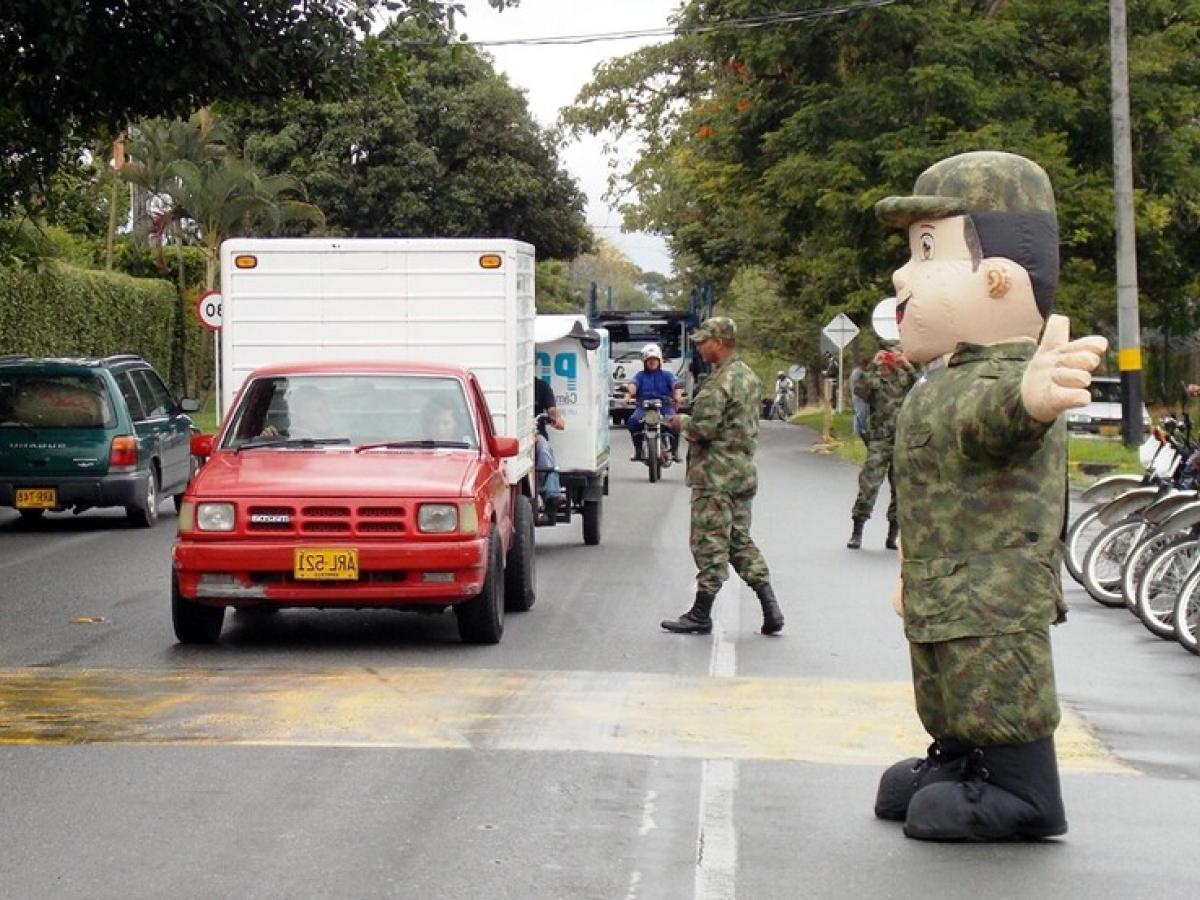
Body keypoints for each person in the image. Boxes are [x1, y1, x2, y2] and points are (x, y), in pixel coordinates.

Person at [872, 151, 1107, 841]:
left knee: (1000, 684)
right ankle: (959, 756)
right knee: (948, 683)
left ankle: (1024, 788)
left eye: (927, 251)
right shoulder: (944, 379)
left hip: (993, 595)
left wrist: (1031, 398)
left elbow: (1001, 418)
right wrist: (907, 569)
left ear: (999, 277)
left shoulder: (1001, 377)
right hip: (944, 588)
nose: (902, 275)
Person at [662, 317, 784, 636]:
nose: (700, 348)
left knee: (709, 543)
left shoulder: (720, 382)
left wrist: (680, 422)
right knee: (738, 541)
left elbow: (703, 429)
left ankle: (701, 613)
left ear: (719, 342)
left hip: (715, 476)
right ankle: (770, 605)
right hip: (742, 472)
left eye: (704, 342)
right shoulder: (749, 377)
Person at [846, 347, 917, 550]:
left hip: (902, 439)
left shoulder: (905, 378)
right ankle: (857, 531)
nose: (890, 360)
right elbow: (859, 391)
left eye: (893, 355)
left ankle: (892, 535)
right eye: (887, 355)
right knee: (869, 484)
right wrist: (872, 366)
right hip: (879, 439)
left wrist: (908, 366)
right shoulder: (874, 379)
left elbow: (923, 387)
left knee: (900, 488)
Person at [627, 343, 683, 462]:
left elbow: (676, 384)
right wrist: (629, 393)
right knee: (632, 422)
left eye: (654, 360)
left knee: (675, 423)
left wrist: (677, 396)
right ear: (645, 362)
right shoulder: (640, 375)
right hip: (644, 408)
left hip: (665, 406)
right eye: (649, 360)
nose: (652, 362)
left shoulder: (667, 374)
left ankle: (674, 451)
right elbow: (633, 385)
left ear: (659, 361)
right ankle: (638, 450)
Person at [534, 374, 565, 517]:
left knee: (544, 449)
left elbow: (552, 409)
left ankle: (552, 494)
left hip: (536, 434)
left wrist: (556, 419)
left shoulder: (541, 386)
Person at [848, 357, 870, 446]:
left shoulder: (857, 372)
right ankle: (859, 431)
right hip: (858, 397)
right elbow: (858, 385)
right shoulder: (858, 373)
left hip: (858, 397)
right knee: (860, 414)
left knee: (859, 414)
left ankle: (858, 430)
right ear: (863, 365)